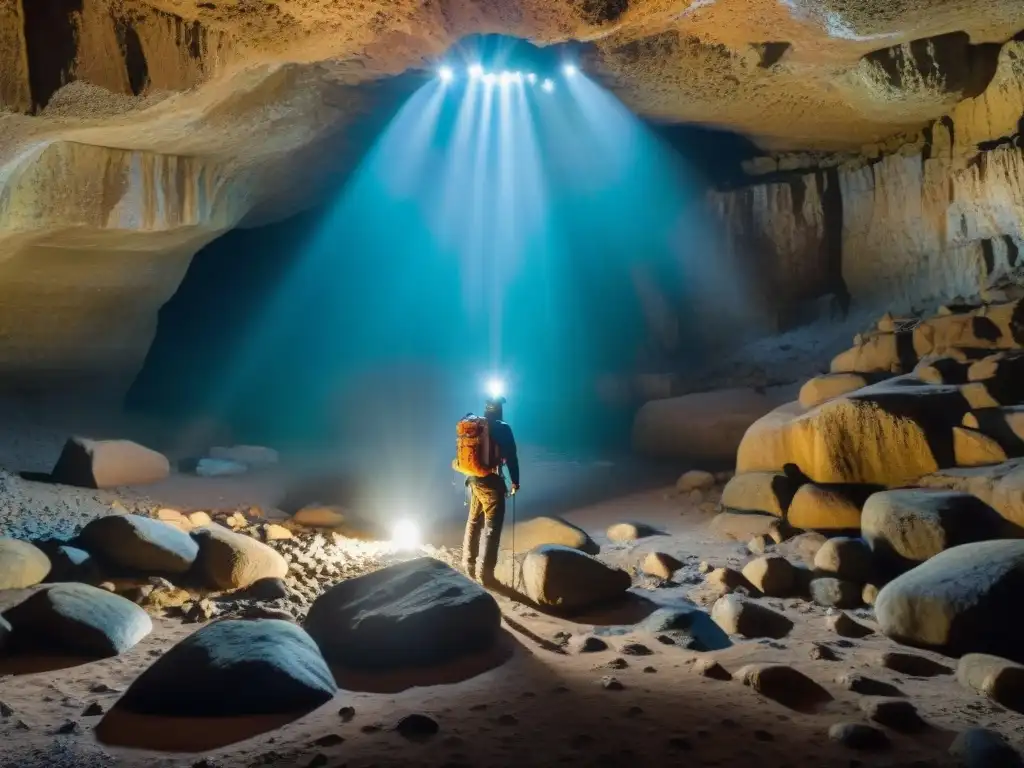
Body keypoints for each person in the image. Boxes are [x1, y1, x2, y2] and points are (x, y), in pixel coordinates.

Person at [460, 395, 520, 586]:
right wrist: (515, 482)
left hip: (472, 480)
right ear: (499, 409)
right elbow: (511, 457)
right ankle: (486, 576)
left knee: (474, 522)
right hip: (491, 483)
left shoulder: (475, 425)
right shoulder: (502, 428)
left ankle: (468, 563)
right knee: (492, 529)